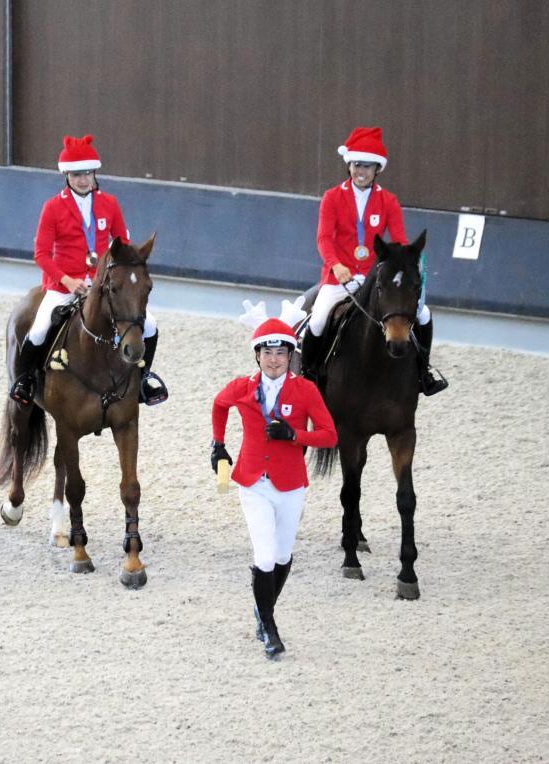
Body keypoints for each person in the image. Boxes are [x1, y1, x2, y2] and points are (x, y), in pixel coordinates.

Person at [211, 305, 337, 658]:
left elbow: (329, 435)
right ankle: (268, 625)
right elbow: (218, 406)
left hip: (291, 484)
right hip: (253, 482)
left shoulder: (306, 391)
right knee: (264, 556)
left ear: (290, 356)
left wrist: (296, 435)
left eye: (281, 353)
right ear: (257, 355)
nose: (274, 360)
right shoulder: (241, 387)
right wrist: (217, 444)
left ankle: (261, 609)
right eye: (267, 353)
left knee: (282, 556)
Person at [8, 134, 167, 406]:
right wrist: (67, 281)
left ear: (95, 174)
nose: (83, 180)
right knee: (39, 329)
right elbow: (41, 254)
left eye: (88, 174)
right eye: (76, 174)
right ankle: (25, 382)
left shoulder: (110, 204)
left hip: (103, 285)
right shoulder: (53, 208)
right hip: (64, 286)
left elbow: (122, 247)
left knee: (149, 325)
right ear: (67, 175)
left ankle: (143, 381)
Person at [301, 126, 448, 396]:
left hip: (376, 277)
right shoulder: (332, 197)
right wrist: (335, 264)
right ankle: (309, 373)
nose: (361, 171)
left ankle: (423, 373)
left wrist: (404, 262)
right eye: (357, 165)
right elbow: (324, 238)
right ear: (349, 165)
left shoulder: (388, 201)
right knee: (319, 319)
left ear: (377, 170)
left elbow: (400, 240)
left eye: (368, 167)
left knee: (423, 315)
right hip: (339, 276)